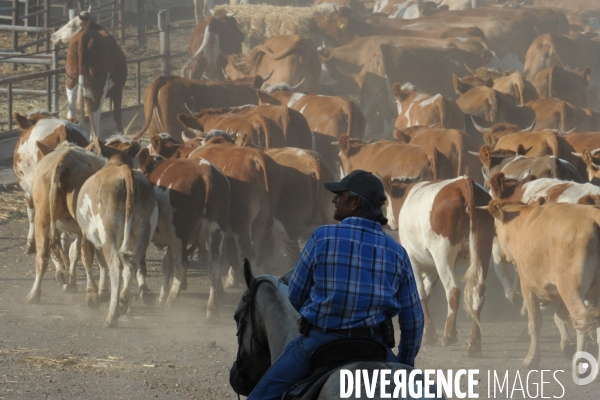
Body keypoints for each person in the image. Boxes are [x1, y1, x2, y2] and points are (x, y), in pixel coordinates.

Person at [246, 169, 424, 400]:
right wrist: (405, 364)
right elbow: (413, 320)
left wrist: (323, 316)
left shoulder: (321, 238)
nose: (334, 199)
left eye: (340, 195)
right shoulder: (397, 252)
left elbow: (296, 296)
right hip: (375, 346)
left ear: (355, 202)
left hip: (320, 343)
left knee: (260, 396)